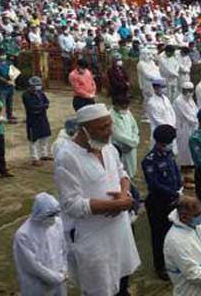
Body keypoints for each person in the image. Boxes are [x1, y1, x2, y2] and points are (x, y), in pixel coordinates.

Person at [54, 103, 141, 296]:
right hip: (92, 235)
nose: (109, 131)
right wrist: (114, 205)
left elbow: (122, 173)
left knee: (122, 279)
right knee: (100, 287)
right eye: (103, 128)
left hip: (118, 229)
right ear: (83, 130)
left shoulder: (108, 148)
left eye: (110, 125)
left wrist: (125, 194)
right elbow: (71, 204)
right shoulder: (67, 157)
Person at [141, 124, 182, 281]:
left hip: (173, 201)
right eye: (170, 141)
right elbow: (155, 185)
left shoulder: (168, 153)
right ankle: (160, 266)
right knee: (159, 237)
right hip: (158, 204)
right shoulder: (149, 161)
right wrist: (175, 193)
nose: (172, 144)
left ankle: (172, 261)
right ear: (162, 142)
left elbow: (175, 173)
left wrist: (180, 189)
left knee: (173, 234)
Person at [13, 192, 68, 296]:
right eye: (50, 215)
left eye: (56, 213)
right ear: (39, 213)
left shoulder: (57, 223)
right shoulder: (24, 235)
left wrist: (64, 269)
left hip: (60, 278)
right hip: (37, 285)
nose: (54, 217)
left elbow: (64, 248)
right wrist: (56, 278)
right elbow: (33, 266)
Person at [23, 76, 52, 166]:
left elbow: (47, 102)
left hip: (42, 117)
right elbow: (31, 107)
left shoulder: (40, 92)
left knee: (45, 136)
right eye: (36, 85)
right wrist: (42, 106)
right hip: (33, 119)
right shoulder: (26, 95)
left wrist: (41, 107)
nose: (38, 87)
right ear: (31, 86)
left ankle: (44, 154)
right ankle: (35, 158)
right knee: (33, 139)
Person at [110, 95, 140, 180]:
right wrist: (131, 142)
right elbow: (116, 134)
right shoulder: (110, 116)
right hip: (120, 147)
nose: (125, 108)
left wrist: (135, 140)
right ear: (116, 105)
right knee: (121, 171)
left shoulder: (127, 112)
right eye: (123, 106)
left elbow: (134, 127)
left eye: (127, 106)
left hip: (131, 146)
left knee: (131, 170)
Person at [173, 82, 199, 168]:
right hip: (183, 126)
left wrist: (197, 119)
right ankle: (185, 165)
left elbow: (195, 110)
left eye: (191, 91)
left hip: (192, 125)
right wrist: (196, 121)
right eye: (187, 91)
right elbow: (187, 116)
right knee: (184, 146)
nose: (189, 93)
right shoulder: (179, 101)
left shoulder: (190, 99)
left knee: (192, 145)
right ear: (183, 91)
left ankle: (191, 163)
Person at [0, 48, 18, 123]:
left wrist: (13, 80)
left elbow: (13, 72)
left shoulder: (9, 63)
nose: (3, 56)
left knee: (10, 102)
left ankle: (10, 115)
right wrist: (6, 81)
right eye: (1, 54)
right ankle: (1, 116)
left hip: (10, 86)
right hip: (1, 87)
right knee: (1, 103)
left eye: (4, 54)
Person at [137, 48, 160, 121]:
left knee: (154, 99)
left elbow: (156, 69)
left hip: (154, 82)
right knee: (147, 99)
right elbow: (146, 74)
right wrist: (154, 76)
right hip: (146, 84)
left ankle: (152, 113)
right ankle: (145, 115)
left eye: (149, 54)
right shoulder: (141, 64)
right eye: (146, 54)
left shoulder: (151, 62)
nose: (148, 55)